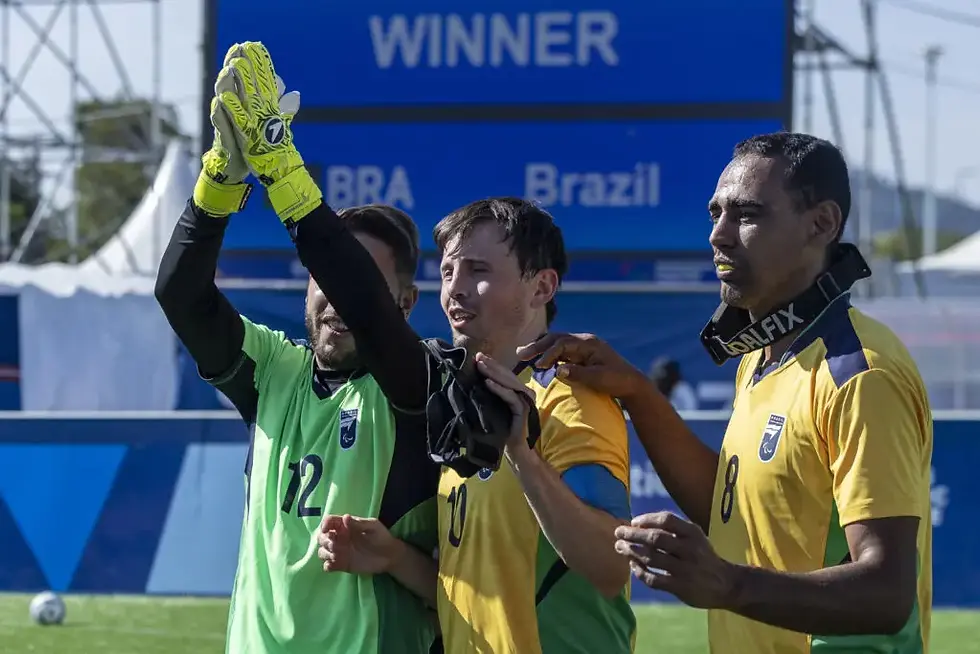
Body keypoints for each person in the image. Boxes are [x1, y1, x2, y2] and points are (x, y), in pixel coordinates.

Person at [518, 132, 933, 653]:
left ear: (822, 223)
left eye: (747, 214)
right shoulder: (761, 358)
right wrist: (638, 395)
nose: (719, 235)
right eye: (716, 213)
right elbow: (733, 511)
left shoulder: (861, 374)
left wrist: (728, 584)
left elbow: (887, 593)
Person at [155, 42, 439, 653]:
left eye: (355, 280)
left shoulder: (421, 381)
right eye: (321, 280)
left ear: (405, 301)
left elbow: (365, 306)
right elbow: (180, 294)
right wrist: (221, 178)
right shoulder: (274, 370)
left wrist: (283, 167)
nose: (334, 297)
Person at [317, 197, 636, 654]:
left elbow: (611, 566)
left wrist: (521, 456)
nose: (455, 289)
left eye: (478, 271)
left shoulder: (572, 402)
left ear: (542, 287)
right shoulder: (464, 406)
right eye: (448, 272)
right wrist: (394, 558)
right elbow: (479, 598)